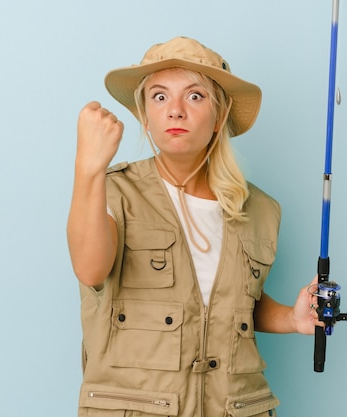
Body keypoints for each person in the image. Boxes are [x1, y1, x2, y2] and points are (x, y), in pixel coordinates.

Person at [67, 36, 320, 417]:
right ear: (145, 114)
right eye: (159, 96)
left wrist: (292, 318)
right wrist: (88, 169)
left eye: (195, 96)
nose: (176, 111)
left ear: (219, 116)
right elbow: (89, 269)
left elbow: (229, 306)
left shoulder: (262, 210)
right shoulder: (111, 189)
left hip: (237, 407)